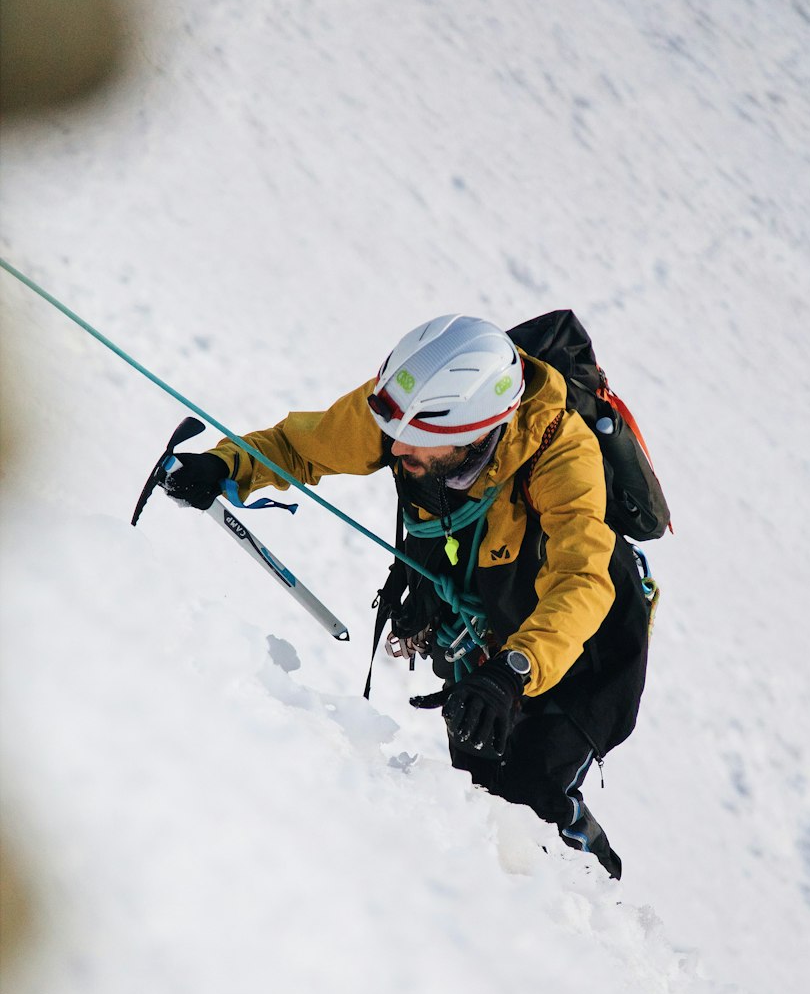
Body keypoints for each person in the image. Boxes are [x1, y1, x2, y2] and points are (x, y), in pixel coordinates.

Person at [164, 315, 651, 879]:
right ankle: (504, 904)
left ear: (477, 434)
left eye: (419, 445)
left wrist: (514, 670)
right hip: (482, 630)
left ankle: (599, 908)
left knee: (531, 793)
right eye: (395, 436)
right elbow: (299, 447)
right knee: (477, 792)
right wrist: (225, 466)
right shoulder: (405, 408)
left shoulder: (563, 458)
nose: (395, 450)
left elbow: (580, 581)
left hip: (587, 644)